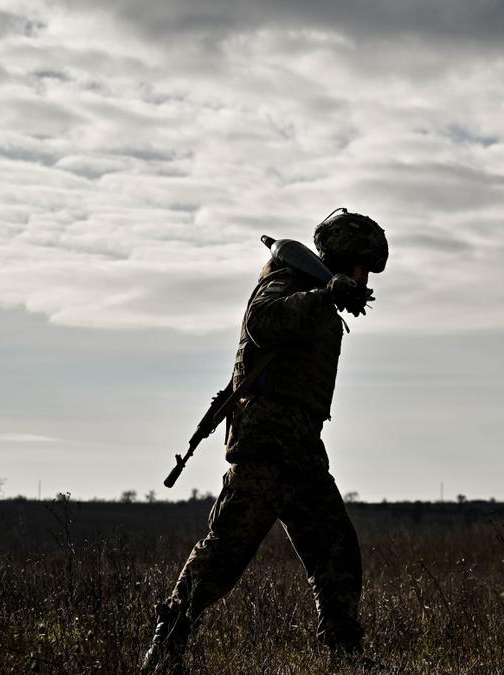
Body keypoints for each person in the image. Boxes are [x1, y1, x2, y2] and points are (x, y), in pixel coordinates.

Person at [141, 209, 388, 674]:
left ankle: (344, 653)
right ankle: (166, 645)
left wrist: (328, 294)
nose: (363, 277)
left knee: (336, 549)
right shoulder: (286, 278)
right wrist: (323, 294)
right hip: (266, 446)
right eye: (360, 267)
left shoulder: (317, 290)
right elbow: (263, 321)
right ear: (341, 257)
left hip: (301, 449)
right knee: (225, 552)